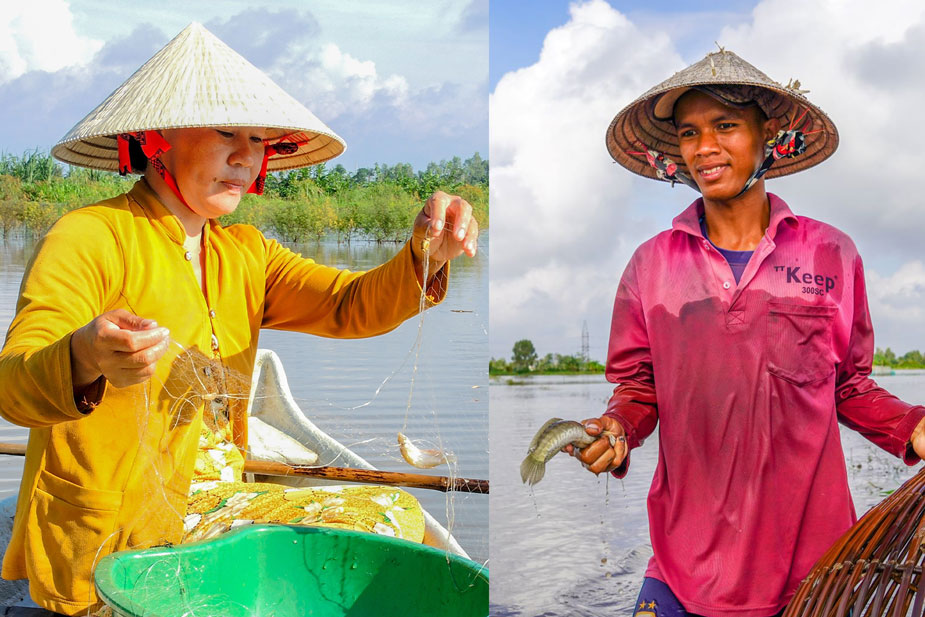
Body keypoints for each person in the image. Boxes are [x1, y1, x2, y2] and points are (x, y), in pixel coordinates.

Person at [0, 23, 478, 615]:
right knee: (380, 518)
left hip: (215, 506)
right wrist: (84, 355)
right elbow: (14, 385)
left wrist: (422, 255)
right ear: (157, 139)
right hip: (116, 532)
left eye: (258, 140)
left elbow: (349, 305)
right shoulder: (90, 237)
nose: (245, 158)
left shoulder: (245, 252)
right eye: (227, 132)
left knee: (392, 514)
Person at [569, 50, 925, 616]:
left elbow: (850, 386)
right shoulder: (650, 265)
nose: (704, 147)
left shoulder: (831, 253)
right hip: (684, 563)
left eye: (726, 126)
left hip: (815, 565)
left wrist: (914, 427)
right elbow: (638, 390)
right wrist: (615, 431)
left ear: (770, 135)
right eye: (689, 133)